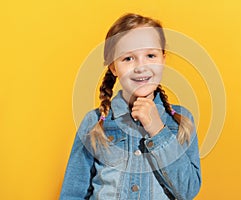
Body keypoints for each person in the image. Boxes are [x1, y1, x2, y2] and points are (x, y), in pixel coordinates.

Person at [60, 13, 201, 200]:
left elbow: (188, 191)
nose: (140, 67)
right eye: (128, 58)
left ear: (163, 59)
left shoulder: (181, 121)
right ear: (113, 67)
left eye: (150, 55)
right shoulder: (94, 123)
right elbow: (72, 193)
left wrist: (158, 131)